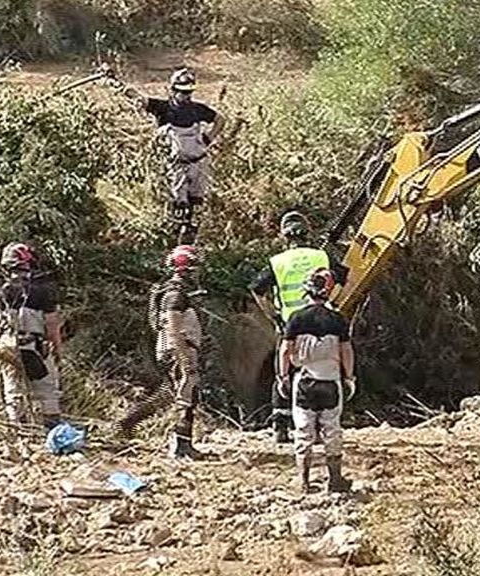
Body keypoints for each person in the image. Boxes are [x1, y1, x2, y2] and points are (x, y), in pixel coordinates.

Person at [249, 210, 348, 443]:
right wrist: (333, 305)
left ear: (284, 236)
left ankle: (281, 427)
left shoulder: (277, 262)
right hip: (323, 324)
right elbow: (344, 278)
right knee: (323, 371)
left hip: (290, 323)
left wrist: (272, 315)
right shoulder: (321, 257)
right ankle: (321, 426)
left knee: (284, 373)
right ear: (308, 232)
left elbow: (256, 288)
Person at [113, 67, 226, 241]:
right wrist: (115, 81)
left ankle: (193, 238)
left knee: (197, 203)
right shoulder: (163, 108)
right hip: (176, 165)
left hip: (199, 162)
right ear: (173, 89)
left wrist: (208, 138)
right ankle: (175, 238)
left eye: (188, 92)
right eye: (181, 92)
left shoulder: (198, 109)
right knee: (179, 203)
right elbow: (138, 98)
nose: (185, 96)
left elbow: (220, 119)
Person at [116, 245, 206, 460]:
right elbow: (172, 326)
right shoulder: (175, 293)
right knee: (186, 397)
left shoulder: (174, 291)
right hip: (177, 349)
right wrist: (184, 359)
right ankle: (181, 445)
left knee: (166, 394)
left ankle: (126, 424)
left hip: (173, 348)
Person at [279, 268, 356, 493]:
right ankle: (335, 480)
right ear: (328, 292)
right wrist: (349, 377)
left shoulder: (296, 318)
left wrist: (283, 376)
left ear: (307, 291)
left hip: (304, 381)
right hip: (331, 381)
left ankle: (303, 480)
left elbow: (285, 351)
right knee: (332, 428)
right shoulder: (338, 320)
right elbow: (346, 351)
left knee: (303, 430)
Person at [0, 243, 64, 430]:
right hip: (34, 346)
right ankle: (52, 429)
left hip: (7, 346)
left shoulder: (1, 291)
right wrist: (57, 350)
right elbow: (52, 325)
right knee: (47, 390)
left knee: (12, 391)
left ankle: (18, 430)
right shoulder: (42, 290)